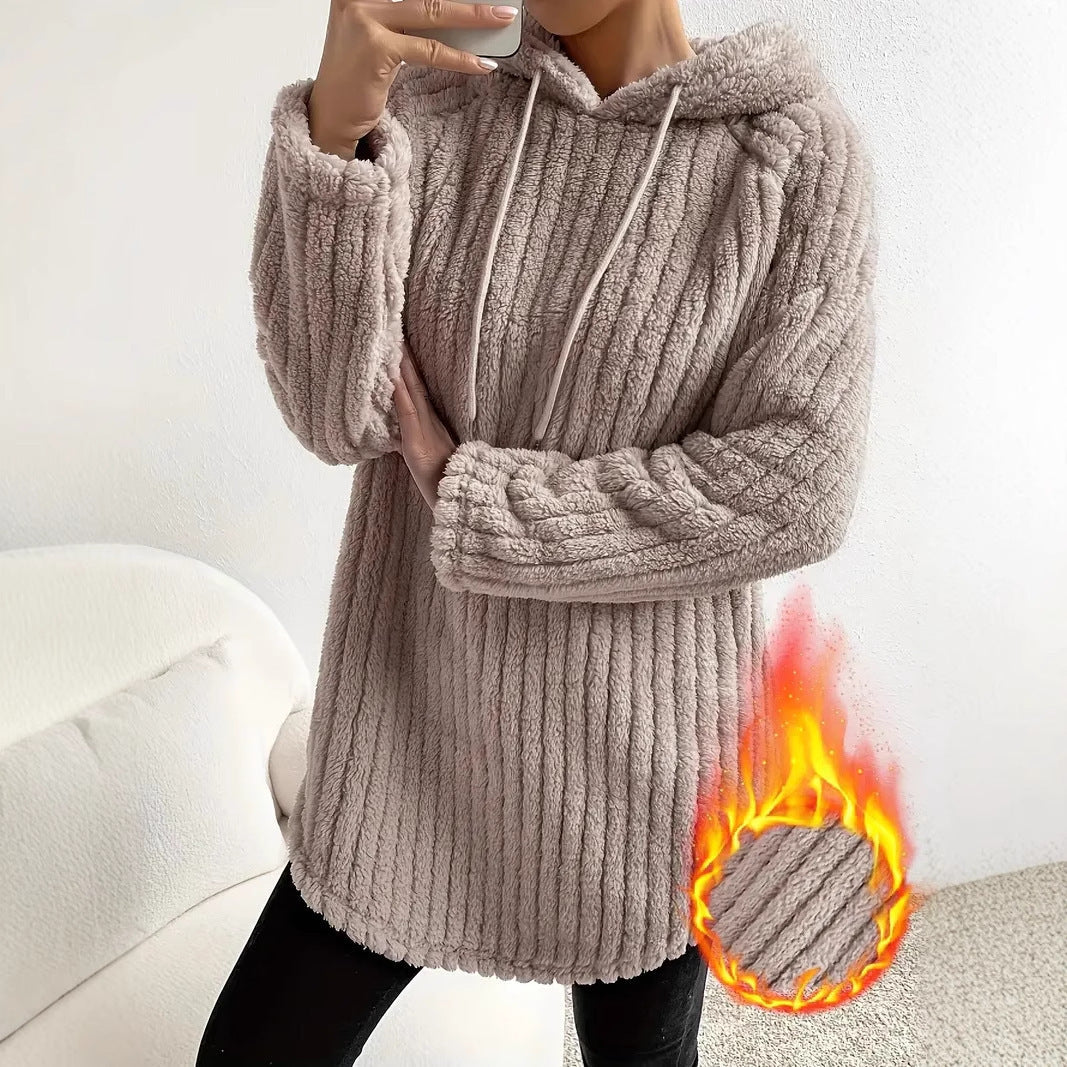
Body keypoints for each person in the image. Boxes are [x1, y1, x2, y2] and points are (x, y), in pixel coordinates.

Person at [198, 0, 878, 1063]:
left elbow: (795, 484)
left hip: (649, 762)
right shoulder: (433, 101)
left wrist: (468, 492)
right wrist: (335, 128)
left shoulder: (788, 151)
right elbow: (334, 414)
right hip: (409, 728)